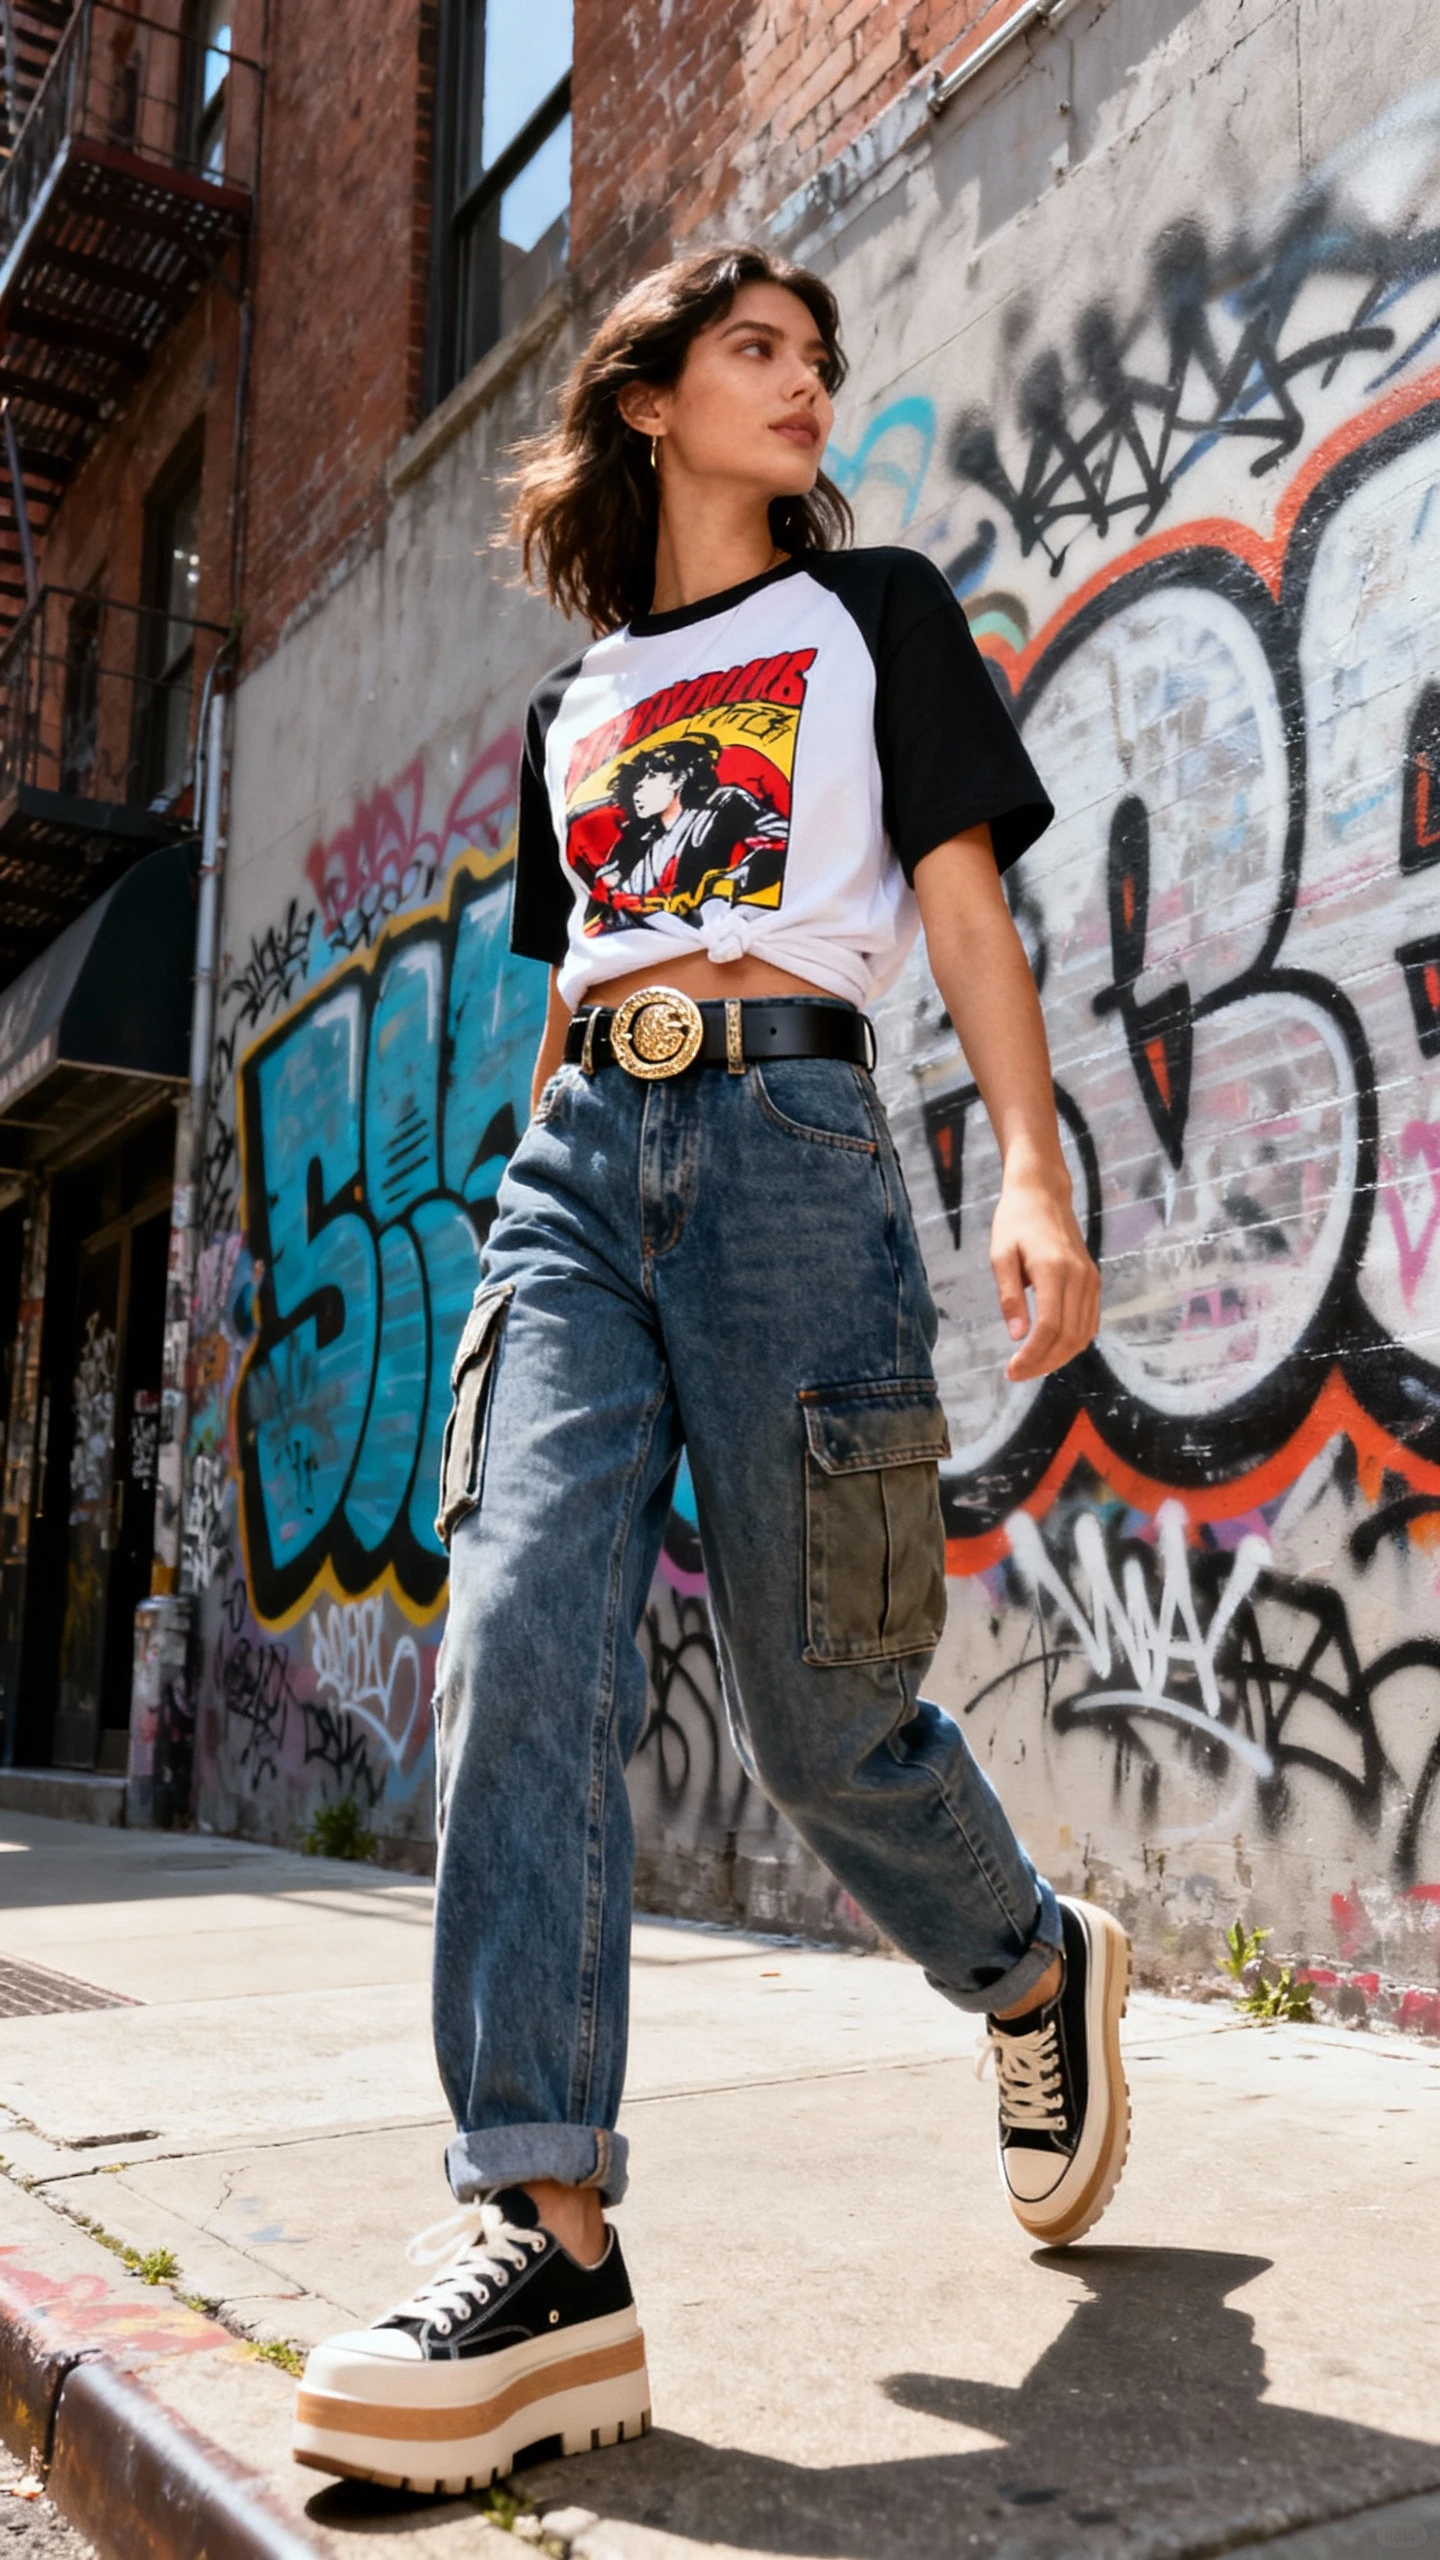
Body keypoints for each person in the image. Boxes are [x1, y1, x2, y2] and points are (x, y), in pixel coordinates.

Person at [293, 244, 1131, 2498]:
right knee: (519, 1626)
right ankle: (543, 2237)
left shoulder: (875, 619)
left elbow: (959, 906)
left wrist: (1034, 1169)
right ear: (648, 396)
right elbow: (577, 992)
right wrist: (513, 1219)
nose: (805, 383)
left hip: (793, 1147)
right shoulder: (575, 714)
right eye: (757, 348)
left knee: (820, 1708)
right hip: (582, 1173)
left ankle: (1036, 1968)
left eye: (818, 358)